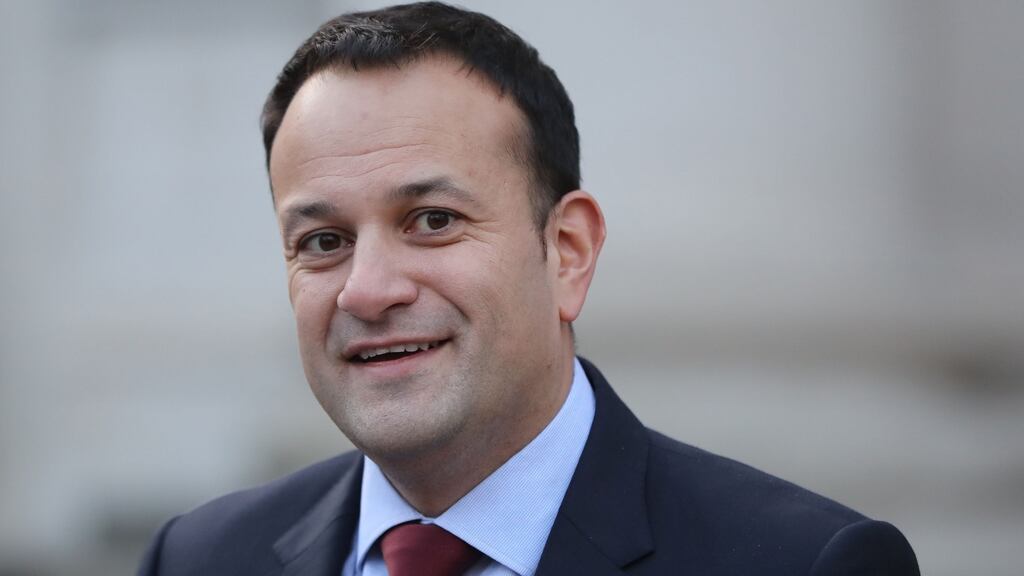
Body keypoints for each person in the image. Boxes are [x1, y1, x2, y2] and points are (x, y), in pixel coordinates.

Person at [138, 2, 920, 575]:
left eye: (433, 221)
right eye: (323, 242)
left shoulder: (802, 564)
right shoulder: (198, 559)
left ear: (568, 251)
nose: (367, 291)